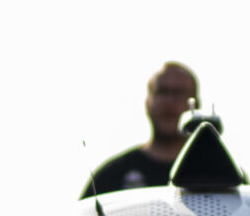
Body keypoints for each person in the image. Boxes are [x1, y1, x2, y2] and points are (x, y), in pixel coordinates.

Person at [83, 62, 202, 196]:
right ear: (148, 103)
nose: (169, 102)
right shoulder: (110, 178)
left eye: (178, 93)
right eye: (162, 92)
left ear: (195, 106)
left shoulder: (213, 175)